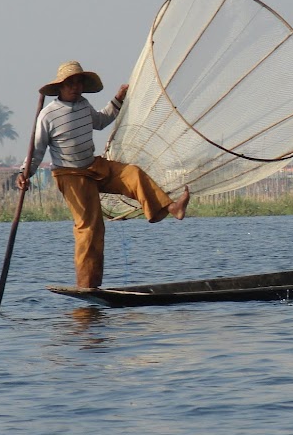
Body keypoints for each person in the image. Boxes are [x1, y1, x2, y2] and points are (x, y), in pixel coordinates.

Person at [16, 60, 189, 288]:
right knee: (90, 228)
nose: (75, 88)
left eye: (78, 83)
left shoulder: (84, 105)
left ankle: (170, 207)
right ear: (60, 87)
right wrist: (24, 173)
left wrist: (118, 98)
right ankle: (87, 284)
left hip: (93, 166)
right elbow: (36, 149)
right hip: (71, 175)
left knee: (132, 173)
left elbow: (100, 120)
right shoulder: (48, 116)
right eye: (70, 84)